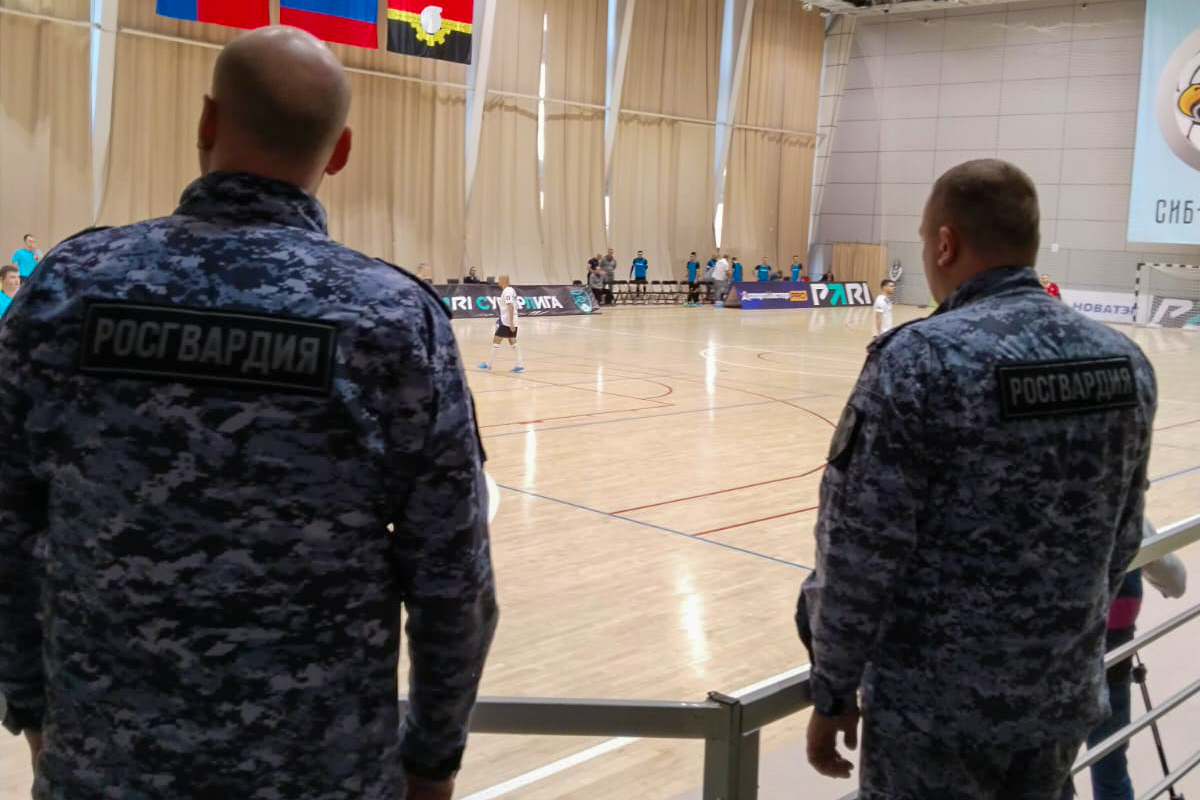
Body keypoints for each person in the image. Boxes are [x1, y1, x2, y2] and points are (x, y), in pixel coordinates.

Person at [0, 26, 497, 800]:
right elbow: (453, 584)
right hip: (324, 775)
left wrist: (34, 711)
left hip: (105, 767)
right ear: (340, 152)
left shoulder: (69, 287)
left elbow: (8, 528)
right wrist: (432, 763)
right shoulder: (395, 321)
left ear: (206, 121)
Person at [797, 159, 1156, 800]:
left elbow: (860, 553)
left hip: (936, 717)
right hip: (1059, 698)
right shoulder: (1124, 361)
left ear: (945, 243)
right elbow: (1124, 537)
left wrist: (832, 688)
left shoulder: (920, 360)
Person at [1061, 523, 1187, 800]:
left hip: (1046, 672)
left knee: (1047, 780)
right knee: (1111, 773)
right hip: (1111, 664)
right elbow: (1176, 581)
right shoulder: (1117, 508)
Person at [479, 273, 524, 373]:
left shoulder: (507, 291)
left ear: (504, 281)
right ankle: (519, 365)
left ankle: (488, 364)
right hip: (510, 320)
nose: (498, 281)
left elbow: (510, 306)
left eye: (500, 280)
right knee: (513, 341)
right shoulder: (511, 290)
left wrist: (511, 322)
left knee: (496, 340)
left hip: (508, 322)